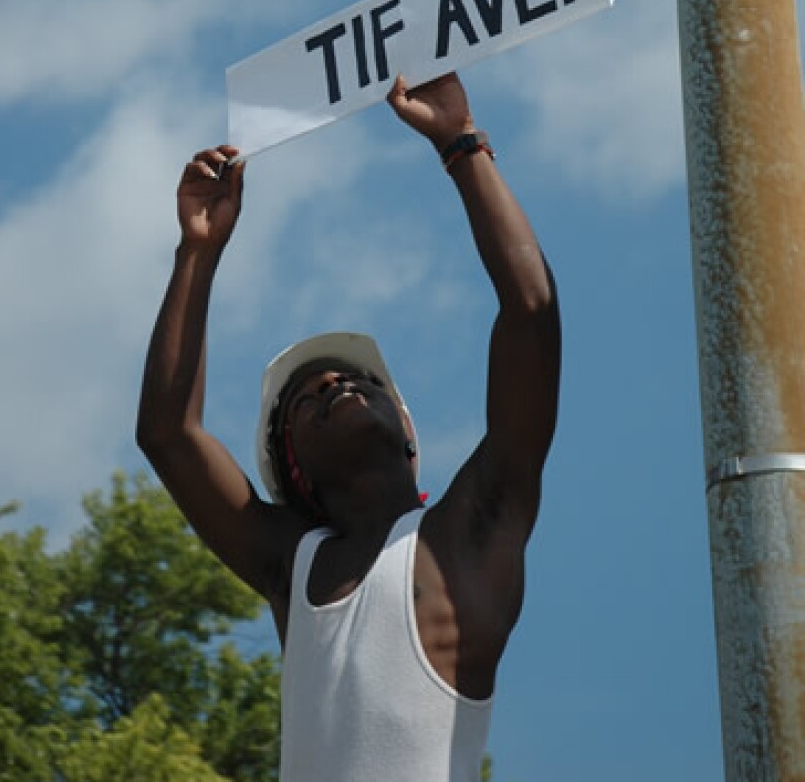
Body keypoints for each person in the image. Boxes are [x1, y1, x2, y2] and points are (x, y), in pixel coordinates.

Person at [136, 71, 561, 782]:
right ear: (293, 471)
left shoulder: (473, 529)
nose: (337, 382)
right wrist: (196, 252)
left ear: (408, 436)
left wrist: (461, 142)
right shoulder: (292, 566)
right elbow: (169, 436)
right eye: (306, 399)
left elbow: (531, 311)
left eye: (360, 380)